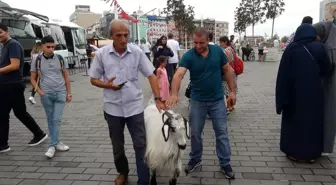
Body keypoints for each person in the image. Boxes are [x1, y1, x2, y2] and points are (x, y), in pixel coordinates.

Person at [89, 20, 167, 185]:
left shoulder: (136, 52)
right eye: (119, 36)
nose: (123, 39)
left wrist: (158, 99)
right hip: (112, 109)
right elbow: (93, 79)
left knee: (141, 145)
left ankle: (143, 180)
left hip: (135, 108)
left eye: (126, 35)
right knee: (117, 146)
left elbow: (151, 75)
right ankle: (122, 172)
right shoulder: (102, 54)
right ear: (111, 36)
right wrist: (107, 85)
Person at [166, 28, 236, 179]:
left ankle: (225, 163)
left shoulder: (218, 52)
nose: (198, 46)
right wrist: (173, 93)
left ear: (208, 40)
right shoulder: (189, 56)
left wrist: (232, 92)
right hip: (197, 101)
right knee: (196, 133)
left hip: (217, 100)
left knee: (222, 133)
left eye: (201, 43)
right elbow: (178, 75)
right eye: (195, 42)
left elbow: (228, 71)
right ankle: (195, 159)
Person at [275, 24, 331, 163]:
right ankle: (311, 154)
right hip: (314, 94)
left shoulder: (291, 49)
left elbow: (283, 75)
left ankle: (293, 153)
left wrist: (281, 100)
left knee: (294, 123)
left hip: (293, 95)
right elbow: (326, 69)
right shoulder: (319, 48)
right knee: (312, 123)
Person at [0, 23, 48, 153]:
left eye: (0, 32)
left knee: (19, 112)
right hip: (5, 85)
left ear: (6, 31)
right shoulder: (4, 46)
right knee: (3, 114)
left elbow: (14, 65)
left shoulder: (13, 45)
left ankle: (39, 133)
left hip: (13, 85)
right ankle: (3, 144)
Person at [30, 35, 72, 158]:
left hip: (60, 92)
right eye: (48, 47)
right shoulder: (37, 59)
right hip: (46, 94)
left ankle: (52, 146)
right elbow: (33, 79)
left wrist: (68, 93)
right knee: (50, 119)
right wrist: (39, 91)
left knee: (56, 119)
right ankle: (57, 142)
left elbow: (67, 77)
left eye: (53, 47)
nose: (51, 49)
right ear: (42, 46)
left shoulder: (60, 58)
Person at [314, 19, 336, 156]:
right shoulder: (329, 42)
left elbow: (326, 69)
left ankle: (325, 147)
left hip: (331, 87)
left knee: (329, 115)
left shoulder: (330, 47)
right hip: (329, 86)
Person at [219, 36, 238, 115]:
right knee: (232, 88)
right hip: (234, 71)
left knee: (227, 90)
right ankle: (232, 106)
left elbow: (225, 62)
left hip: (228, 72)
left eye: (221, 42)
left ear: (225, 42)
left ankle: (229, 107)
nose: (220, 44)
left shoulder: (226, 50)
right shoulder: (232, 48)